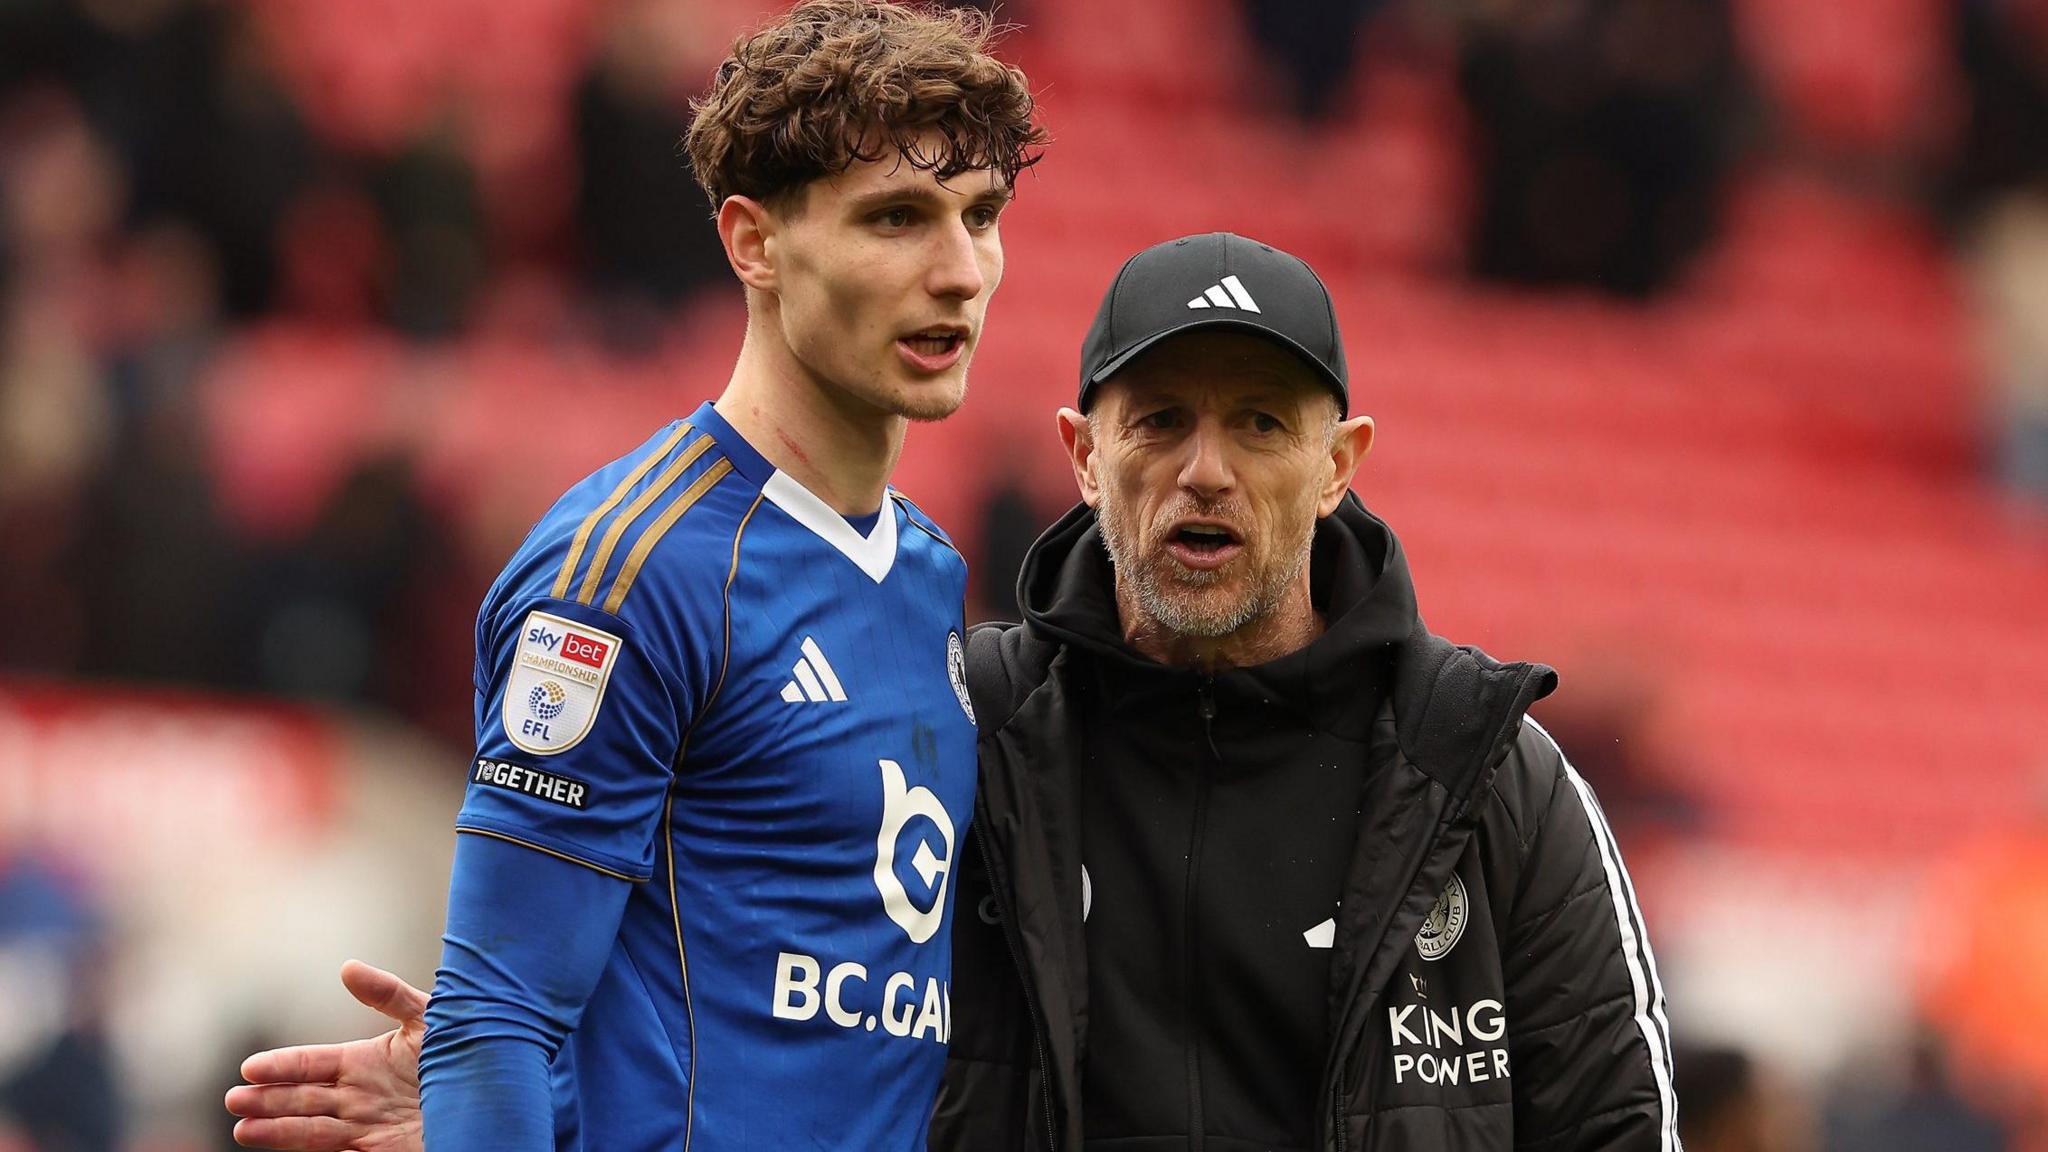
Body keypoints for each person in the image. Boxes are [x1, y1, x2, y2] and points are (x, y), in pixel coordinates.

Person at [228, 235, 1678, 1150]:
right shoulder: (969, 733)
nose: (1207, 471)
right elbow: (790, 1023)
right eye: (1159, 423)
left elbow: (1621, 1128)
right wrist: (527, 1104)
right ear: (1079, 452)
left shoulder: (1490, 777)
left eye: (1260, 425)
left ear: (1343, 460)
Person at [228, 2, 1045, 1150]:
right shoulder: (627, 573)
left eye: (981, 216)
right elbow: (495, 1017)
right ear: (753, 242)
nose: (959, 272)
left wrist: (572, 1105)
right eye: (897, 218)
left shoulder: (924, 571)